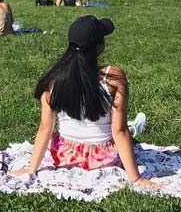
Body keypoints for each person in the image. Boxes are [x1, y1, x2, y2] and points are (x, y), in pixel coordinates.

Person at [11, 16, 155, 189]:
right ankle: (136, 127)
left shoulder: (53, 78)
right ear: (99, 47)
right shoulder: (113, 77)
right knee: (127, 130)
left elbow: (45, 128)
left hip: (65, 156)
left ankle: (135, 126)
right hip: (104, 159)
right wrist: (136, 178)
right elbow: (119, 131)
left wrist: (31, 169)